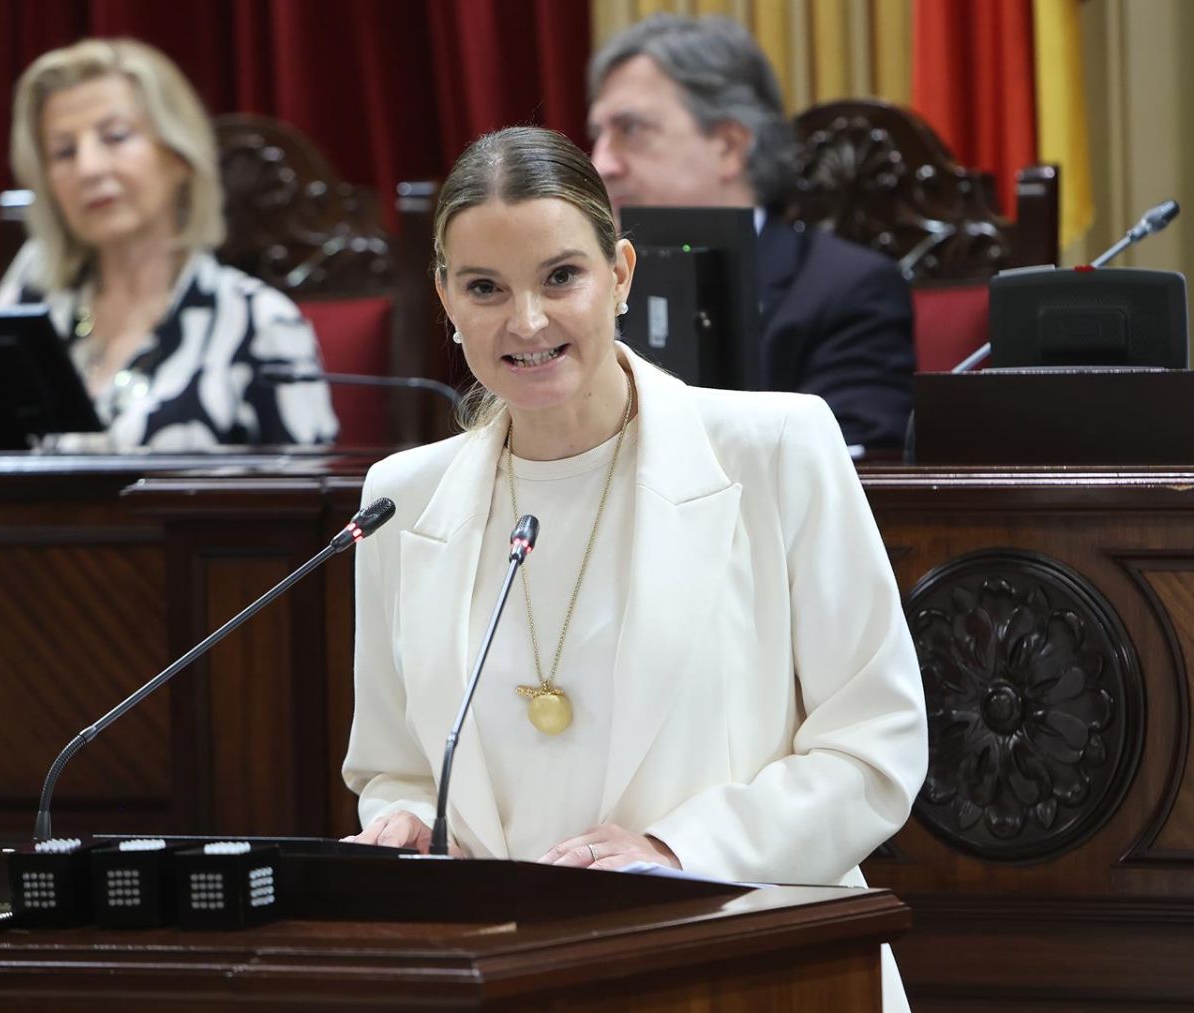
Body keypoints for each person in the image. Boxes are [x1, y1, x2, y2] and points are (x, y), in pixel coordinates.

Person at [341, 126, 927, 1010]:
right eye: (486, 288)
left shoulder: (776, 448)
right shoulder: (400, 500)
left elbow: (873, 748)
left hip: (750, 964)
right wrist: (408, 822)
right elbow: (394, 765)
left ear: (619, 272)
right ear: (445, 299)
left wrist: (676, 853)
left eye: (560, 276)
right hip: (514, 978)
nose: (526, 321)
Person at [586, 15, 917, 452]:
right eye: (598, 135)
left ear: (729, 146)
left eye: (630, 130)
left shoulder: (847, 290)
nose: (600, 163)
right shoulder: (585, 287)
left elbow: (849, 469)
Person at [0, 38, 337, 451]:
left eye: (115, 137)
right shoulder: (31, 297)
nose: (89, 168)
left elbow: (311, 504)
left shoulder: (260, 323)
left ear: (178, 155)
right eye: (64, 152)